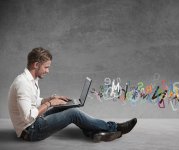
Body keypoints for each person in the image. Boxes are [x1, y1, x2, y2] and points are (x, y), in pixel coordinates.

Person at [8, 47, 137, 142]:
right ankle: (114, 127)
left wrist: (50, 99)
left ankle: (93, 133)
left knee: (68, 106)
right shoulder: (23, 84)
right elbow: (27, 117)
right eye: (46, 67)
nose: (48, 71)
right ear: (36, 65)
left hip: (35, 122)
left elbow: (33, 102)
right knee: (73, 114)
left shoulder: (30, 79)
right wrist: (49, 104)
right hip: (31, 131)